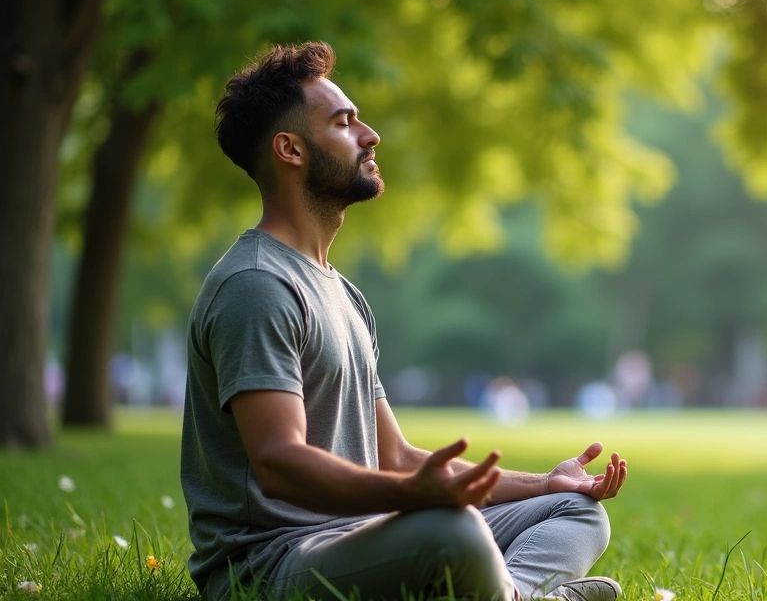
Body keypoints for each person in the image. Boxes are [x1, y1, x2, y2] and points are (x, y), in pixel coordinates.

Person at [180, 42, 628, 601]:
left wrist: (545, 483)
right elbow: (278, 462)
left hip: (362, 540)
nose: (370, 136)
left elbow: (394, 457)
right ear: (290, 149)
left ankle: (510, 594)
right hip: (269, 567)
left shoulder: (342, 293)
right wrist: (415, 496)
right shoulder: (257, 285)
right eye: (344, 123)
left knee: (574, 510)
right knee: (453, 530)